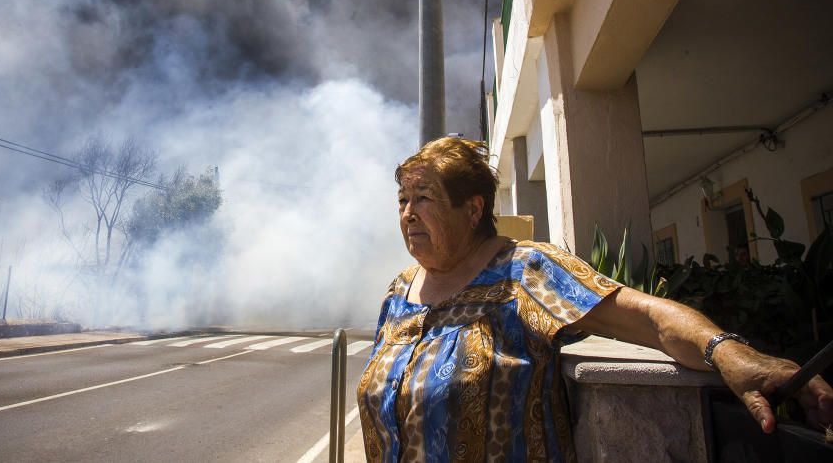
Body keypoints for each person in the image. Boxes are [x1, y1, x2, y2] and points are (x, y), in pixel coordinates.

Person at [356, 136, 833, 462]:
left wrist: (729, 354)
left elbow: (646, 317)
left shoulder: (525, 272)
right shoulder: (401, 291)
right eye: (402, 200)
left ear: (474, 207)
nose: (408, 213)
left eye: (424, 198)